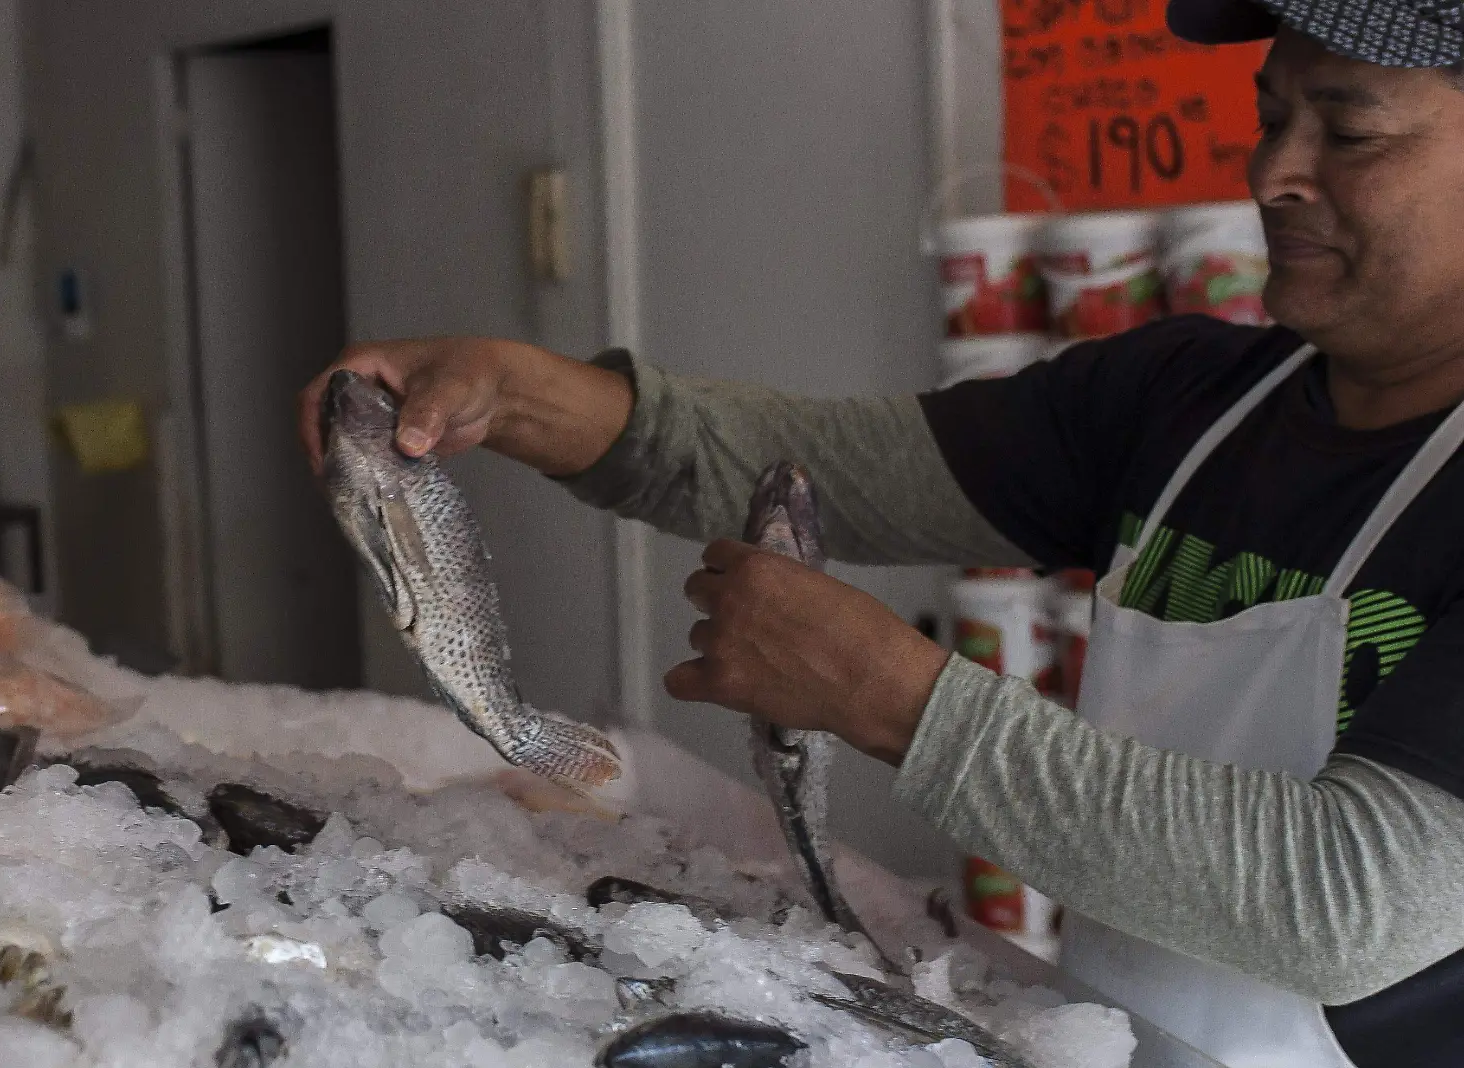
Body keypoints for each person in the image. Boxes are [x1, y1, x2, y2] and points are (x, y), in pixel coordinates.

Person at [297, 0, 1464, 1063]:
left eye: (1347, 134)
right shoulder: (1191, 398)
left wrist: (894, 696)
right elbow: (829, 469)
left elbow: (1343, 901)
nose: (1274, 171)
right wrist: (521, 392)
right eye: (1268, 118)